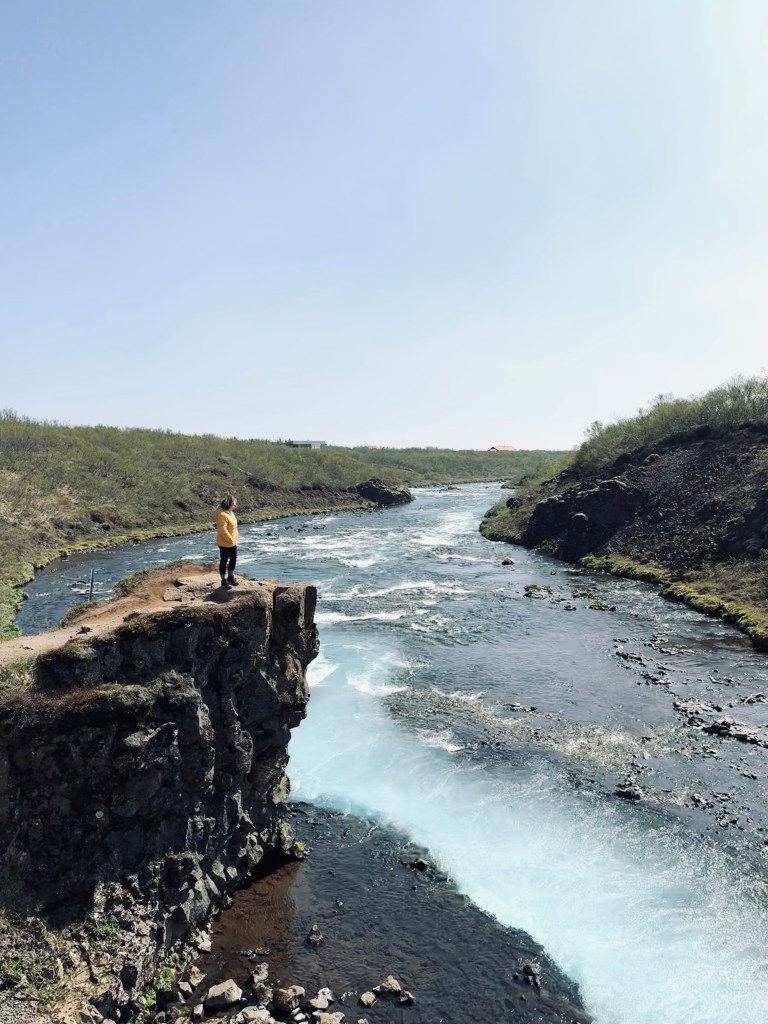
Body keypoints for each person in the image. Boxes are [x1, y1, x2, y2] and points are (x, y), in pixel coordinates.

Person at [213, 494, 239, 588]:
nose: (235, 506)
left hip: (232, 541)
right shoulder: (222, 515)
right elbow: (222, 530)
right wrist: (230, 539)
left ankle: (230, 577)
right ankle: (223, 581)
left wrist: (235, 538)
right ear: (230, 504)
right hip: (224, 542)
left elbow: (234, 527)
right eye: (234, 504)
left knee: (233, 558)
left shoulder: (230, 513)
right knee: (224, 560)